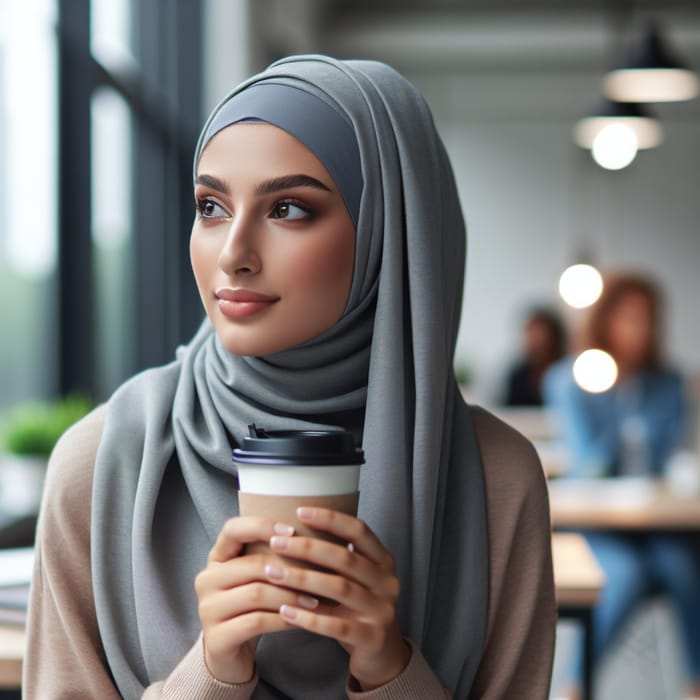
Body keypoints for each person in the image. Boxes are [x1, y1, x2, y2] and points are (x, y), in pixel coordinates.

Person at [24, 55, 555, 699]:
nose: (234, 253)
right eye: (211, 205)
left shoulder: (495, 479)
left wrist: (390, 669)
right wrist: (212, 672)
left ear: (390, 232)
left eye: (290, 210)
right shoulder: (107, 463)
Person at [544, 272, 700, 695]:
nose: (641, 329)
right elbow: (588, 462)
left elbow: (670, 457)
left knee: (683, 566)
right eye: (630, 317)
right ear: (606, 320)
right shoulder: (572, 380)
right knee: (625, 574)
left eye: (648, 319)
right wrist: (614, 400)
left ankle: (694, 683)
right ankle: (576, 686)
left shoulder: (668, 383)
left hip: (659, 524)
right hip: (598, 524)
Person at [503, 306, 566, 406]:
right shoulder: (518, 376)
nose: (538, 341)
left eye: (542, 335)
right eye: (534, 335)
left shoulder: (565, 373)